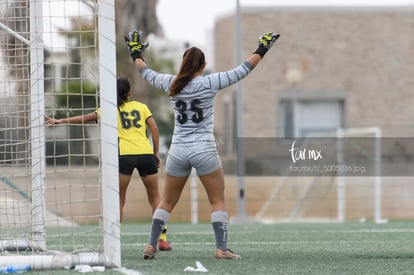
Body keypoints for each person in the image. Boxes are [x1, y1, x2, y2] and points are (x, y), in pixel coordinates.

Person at [125, 30, 279, 260]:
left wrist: (135, 52)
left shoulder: (171, 83)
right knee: (217, 201)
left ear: (183, 63)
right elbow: (244, 70)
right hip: (204, 148)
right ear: (203, 65)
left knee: (166, 202)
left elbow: (145, 72)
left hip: (178, 150)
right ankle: (221, 249)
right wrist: (262, 49)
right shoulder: (211, 81)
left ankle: (150, 245)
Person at [45, 77, 172, 251]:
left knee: (119, 199)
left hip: (125, 156)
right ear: (130, 92)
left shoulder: (108, 109)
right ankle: (163, 239)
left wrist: (60, 121)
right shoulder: (141, 107)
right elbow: (154, 128)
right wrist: (156, 152)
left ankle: (115, 240)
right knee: (155, 198)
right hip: (145, 154)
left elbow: (85, 118)